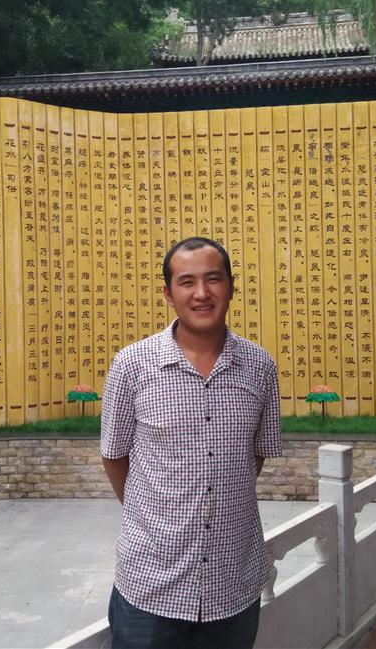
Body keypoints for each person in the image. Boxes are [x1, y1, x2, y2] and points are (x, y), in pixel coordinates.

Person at [100, 236, 282, 649]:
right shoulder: (132, 365)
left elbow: (253, 456)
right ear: (168, 294)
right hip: (150, 583)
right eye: (187, 282)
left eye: (213, 279)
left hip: (232, 582)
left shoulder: (259, 366)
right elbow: (114, 456)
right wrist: (160, 516)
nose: (202, 293)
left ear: (231, 287)